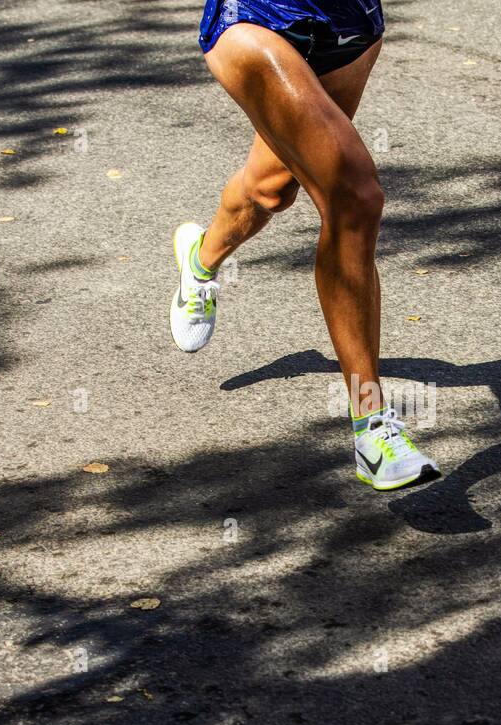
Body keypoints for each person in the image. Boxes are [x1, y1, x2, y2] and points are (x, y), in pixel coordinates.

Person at [170, 0, 439, 491]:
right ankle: (372, 430)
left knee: (272, 188)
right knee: (353, 196)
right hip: (256, 17)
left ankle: (200, 259)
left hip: (350, 21)